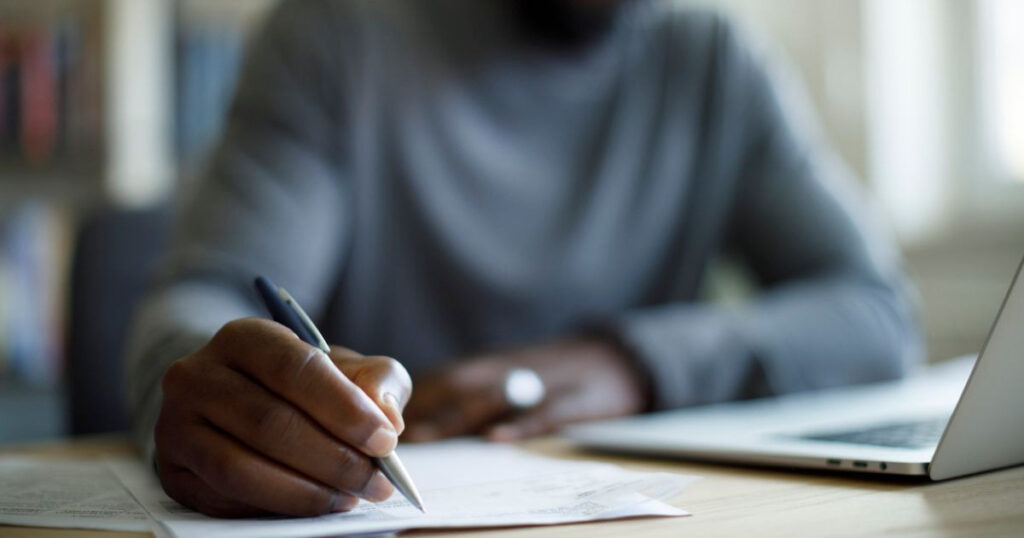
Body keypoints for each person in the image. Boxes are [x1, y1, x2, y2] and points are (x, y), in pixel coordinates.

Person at [127, 0, 920, 519]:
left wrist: (629, 364)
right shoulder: (336, 34)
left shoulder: (712, 58)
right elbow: (208, 296)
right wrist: (208, 385)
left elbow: (874, 309)